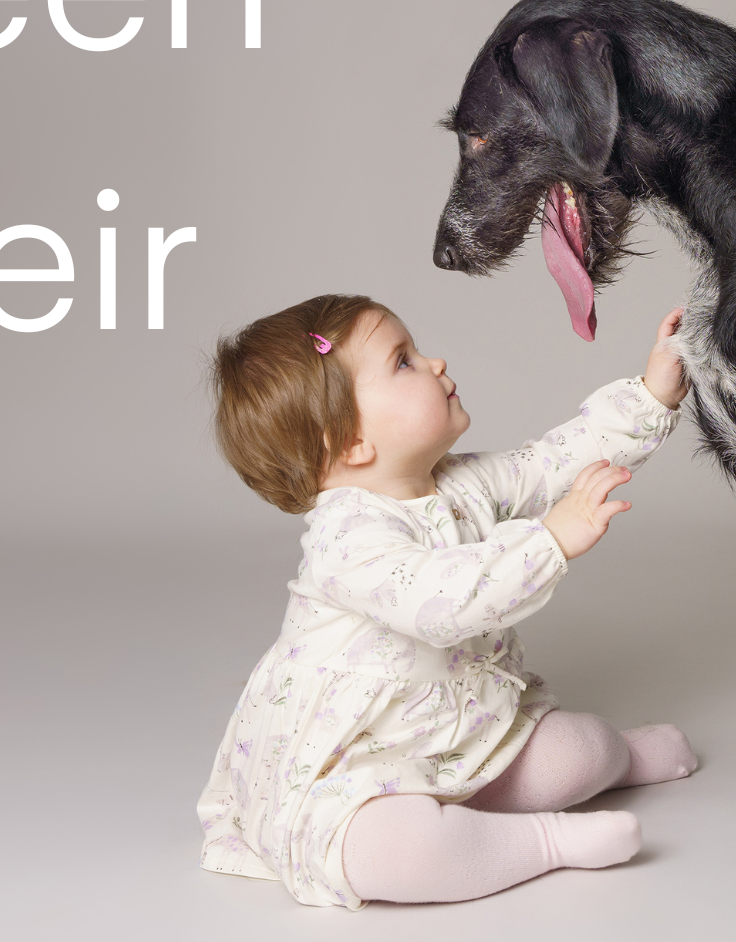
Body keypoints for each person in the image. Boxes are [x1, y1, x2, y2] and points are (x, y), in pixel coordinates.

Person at [197, 294, 700, 907]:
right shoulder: (346, 539)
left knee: (580, 751)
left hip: (462, 737)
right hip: (356, 767)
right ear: (351, 441)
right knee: (393, 851)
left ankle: (620, 760)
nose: (435, 363)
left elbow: (554, 462)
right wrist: (549, 541)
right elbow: (439, 603)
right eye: (404, 361)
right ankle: (545, 843)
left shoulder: (462, 481)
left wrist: (652, 393)